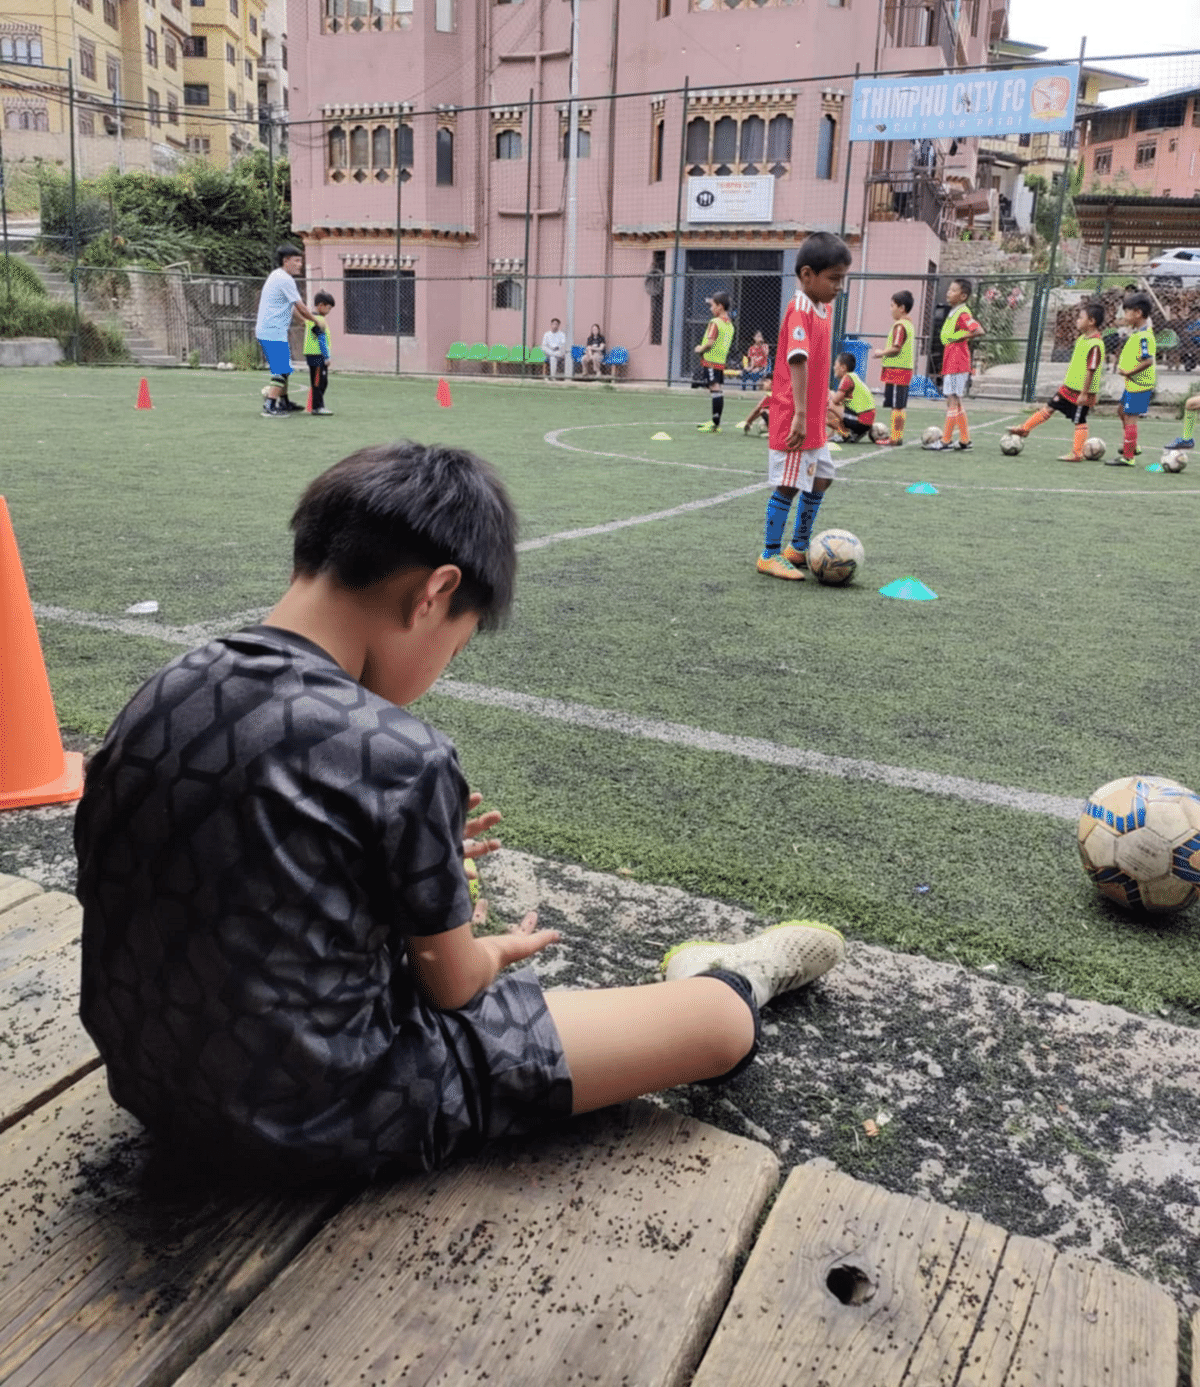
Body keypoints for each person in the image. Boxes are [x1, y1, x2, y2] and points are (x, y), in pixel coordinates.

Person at [75, 441, 847, 1182]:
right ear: (436, 593)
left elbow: (227, 867)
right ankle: (732, 978)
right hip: (314, 1116)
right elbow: (450, 987)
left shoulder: (167, 688)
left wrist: (401, 870)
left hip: (153, 1086)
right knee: (714, 1030)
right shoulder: (395, 750)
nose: (443, 669)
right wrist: (488, 952)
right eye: (459, 645)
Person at [757, 233, 852, 581]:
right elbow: (798, 360)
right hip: (793, 415)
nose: (839, 286)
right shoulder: (799, 311)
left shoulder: (823, 309)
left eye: (842, 279)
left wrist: (824, 400)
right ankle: (769, 554)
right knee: (788, 484)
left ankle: (798, 546)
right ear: (808, 274)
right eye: (834, 279)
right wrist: (799, 411)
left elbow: (818, 363)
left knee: (823, 477)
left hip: (812, 416)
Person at [1007, 302, 1105, 461]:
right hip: (1068, 387)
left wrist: (1084, 393)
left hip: (1081, 392)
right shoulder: (1082, 339)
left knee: (1080, 420)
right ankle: (1025, 429)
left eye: (1080, 318)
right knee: (1050, 406)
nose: (1077, 321)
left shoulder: (1096, 345)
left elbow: (1091, 370)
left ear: (1092, 321)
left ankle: (1077, 453)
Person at [256, 244, 324, 418]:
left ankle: (284, 402)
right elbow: (300, 306)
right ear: (286, 261)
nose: (300, 264)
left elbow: (291, 306)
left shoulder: (277, 276)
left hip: (273, 330)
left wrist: (303, 322)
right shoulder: (285, 279)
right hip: (272, 331)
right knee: (281, 369)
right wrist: (316, 321)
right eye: (297, 260)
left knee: (284, 368)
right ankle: (269, 405)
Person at [929, 279, 984, 451]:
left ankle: (945, 441)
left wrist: (961, 336)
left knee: (952, 401)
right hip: (952, 361)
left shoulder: (963, 314)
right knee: (956, 402)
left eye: (953, 290)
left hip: (957, 362)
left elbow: (978, 330)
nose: (948, 292)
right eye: (949, 289)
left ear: (963, 296)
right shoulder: (955, 312)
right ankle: (965, 440)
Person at [1108, 294, 1156, 467]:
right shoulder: (1138, 333)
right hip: (1133, 384)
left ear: (1138, 313)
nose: (1124, 317)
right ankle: (1132, 445)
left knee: (1130, 417)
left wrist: (1129, 371)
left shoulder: (1144, 336)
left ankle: (1128, 457)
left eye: (1126, 312)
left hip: (1140, 385)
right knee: (1122, 412)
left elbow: (1148, 360)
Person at [875, 290, 915, 445]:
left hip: (897, 371)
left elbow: (896, 347)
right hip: (902, 370)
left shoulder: (900, 326)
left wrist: (881, 353)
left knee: (897, 406)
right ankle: (896, 436)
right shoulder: (908, 324)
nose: (890, 309)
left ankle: (895, 437)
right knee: (899, 405)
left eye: (892, 306)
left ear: (901, 308)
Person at [694, 291, 735, 433]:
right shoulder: (730, 325)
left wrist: (700, 348)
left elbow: (710, 343)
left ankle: (715, 423)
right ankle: (715, 422)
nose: (711, 309)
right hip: (720, 362)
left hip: (710, 361)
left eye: (712, 305)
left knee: (715, 388)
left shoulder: (715, 323)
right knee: (714, 388)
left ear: (720, 307)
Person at [827, 353, 877, 442]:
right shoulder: (853, 377)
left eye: (835, 365)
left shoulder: (847, 379)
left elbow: (834, 401)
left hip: (861, 421)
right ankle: (848, 433)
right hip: (865, 421)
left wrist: (827, 393)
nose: (834, 367)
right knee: (831, 398)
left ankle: (845, 434)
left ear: (843, 367)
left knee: (826, 405)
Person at [304, 290, 336, 416]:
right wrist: (327, 357)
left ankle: (317, 405)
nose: (329, 311)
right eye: (328, 308)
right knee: (318, 382)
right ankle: (317, 407)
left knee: (322, 381)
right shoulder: (317, 320)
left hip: (316, 355)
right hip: (317, 355)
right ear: (321, 305)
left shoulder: (314, 318)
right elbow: (321, 339)